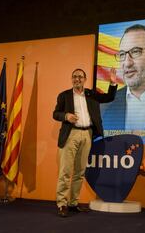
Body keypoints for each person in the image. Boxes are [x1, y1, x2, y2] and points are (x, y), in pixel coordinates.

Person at [53, 68, 117, 217]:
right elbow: (55, 114)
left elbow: (108, 98)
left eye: (80, 77)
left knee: (80, 172)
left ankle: (73, 203)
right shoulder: (64, 96)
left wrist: (113, 83)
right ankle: (62, 203)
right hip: (71, 134)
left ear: (85, 79)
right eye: (74, 76)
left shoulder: (91, 94)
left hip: (87, 134)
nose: (77, 79)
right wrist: (66, 116)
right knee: (66, 171)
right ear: (71, 79)